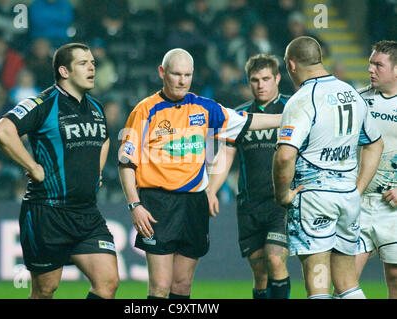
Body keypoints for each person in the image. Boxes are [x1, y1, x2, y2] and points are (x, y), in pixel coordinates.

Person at [118, 48, 282, 299]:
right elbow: (125, 163)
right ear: (162, 73)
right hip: (157, 204)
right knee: (160, 287)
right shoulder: (144, 110)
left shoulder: (204, 108)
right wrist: (134, 205)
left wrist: (290, 118)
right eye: (176, 74)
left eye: (187, 74)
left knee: (182, 286)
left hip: (194, 203)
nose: (182, 80)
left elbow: (248, 121)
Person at [0, 43, 119, 299]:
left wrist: (98, 170)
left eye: (92, 62)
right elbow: (2, 130)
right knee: (45, 291)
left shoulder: (96, 107)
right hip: (47, 213)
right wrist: (32, 167)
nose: (92, 67)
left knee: (108, 284)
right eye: (83, 63)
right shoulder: (43, 103)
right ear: (64, 70)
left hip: (86, 213)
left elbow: (104, 139)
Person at [272, 36, 383, 299]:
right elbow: (375, 143)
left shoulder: (302, 100)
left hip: (314, 199)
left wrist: (282, 194)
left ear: (291, 65)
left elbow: (285, 156)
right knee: (347, 282)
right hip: (347, 198)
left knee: (317, 281)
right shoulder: (352, 94)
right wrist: (358, 188)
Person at [206, 54, 291, 299]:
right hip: (249, 204)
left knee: (275, 259)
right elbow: (226, 154)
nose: (261, 85)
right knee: (259, 270)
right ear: (248, 82)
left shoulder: (292, 109)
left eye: (266, 79)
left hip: (281, 203)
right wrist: (211, 189)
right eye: (255, 80)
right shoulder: (240, 116)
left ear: (277, 78)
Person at [356, 40, 397, 299]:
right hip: (358, 203)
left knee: (395, 277)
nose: (371, 69)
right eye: (370, 63)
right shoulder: (359, 100)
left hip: (392, 206)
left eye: (378, 65)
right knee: (345, 276)